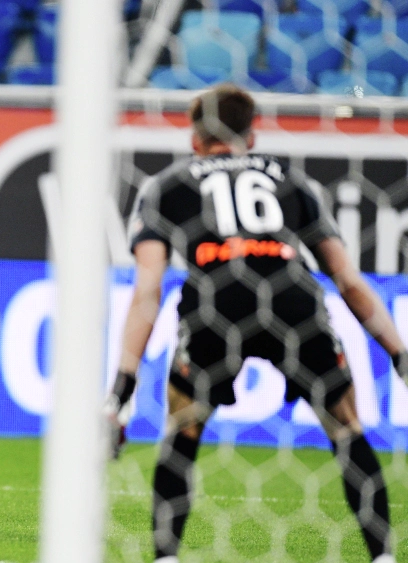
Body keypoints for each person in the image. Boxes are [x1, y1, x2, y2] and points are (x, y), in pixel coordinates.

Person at [103, 84, 401, 563]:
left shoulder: (167, 184)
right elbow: (347, 279)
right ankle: (383, 556)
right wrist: (400, 355)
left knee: (182, 427)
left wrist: (120, 392)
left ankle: (165, 557)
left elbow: (147, 292)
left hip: (214, 307)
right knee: (346, 426)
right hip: (294, 304)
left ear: (195, 139)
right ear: (252, 137)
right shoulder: (292, 180)